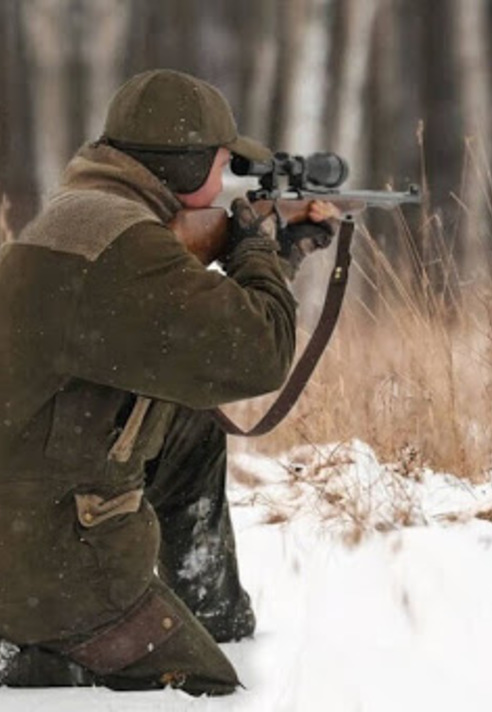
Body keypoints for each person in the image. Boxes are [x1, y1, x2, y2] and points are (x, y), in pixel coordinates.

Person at [0, 69, 333, 695]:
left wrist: (273, 256)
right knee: (204, 683)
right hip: (46, 560)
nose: (228, 178)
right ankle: (32, 652)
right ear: (187, 170)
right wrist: (254, 247)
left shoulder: (83, 217)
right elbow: (257, 354)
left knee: (187, 423)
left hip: (25, 504)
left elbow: (182, 334)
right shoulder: (124, 248)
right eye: (222, 163)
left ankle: (211, 608)